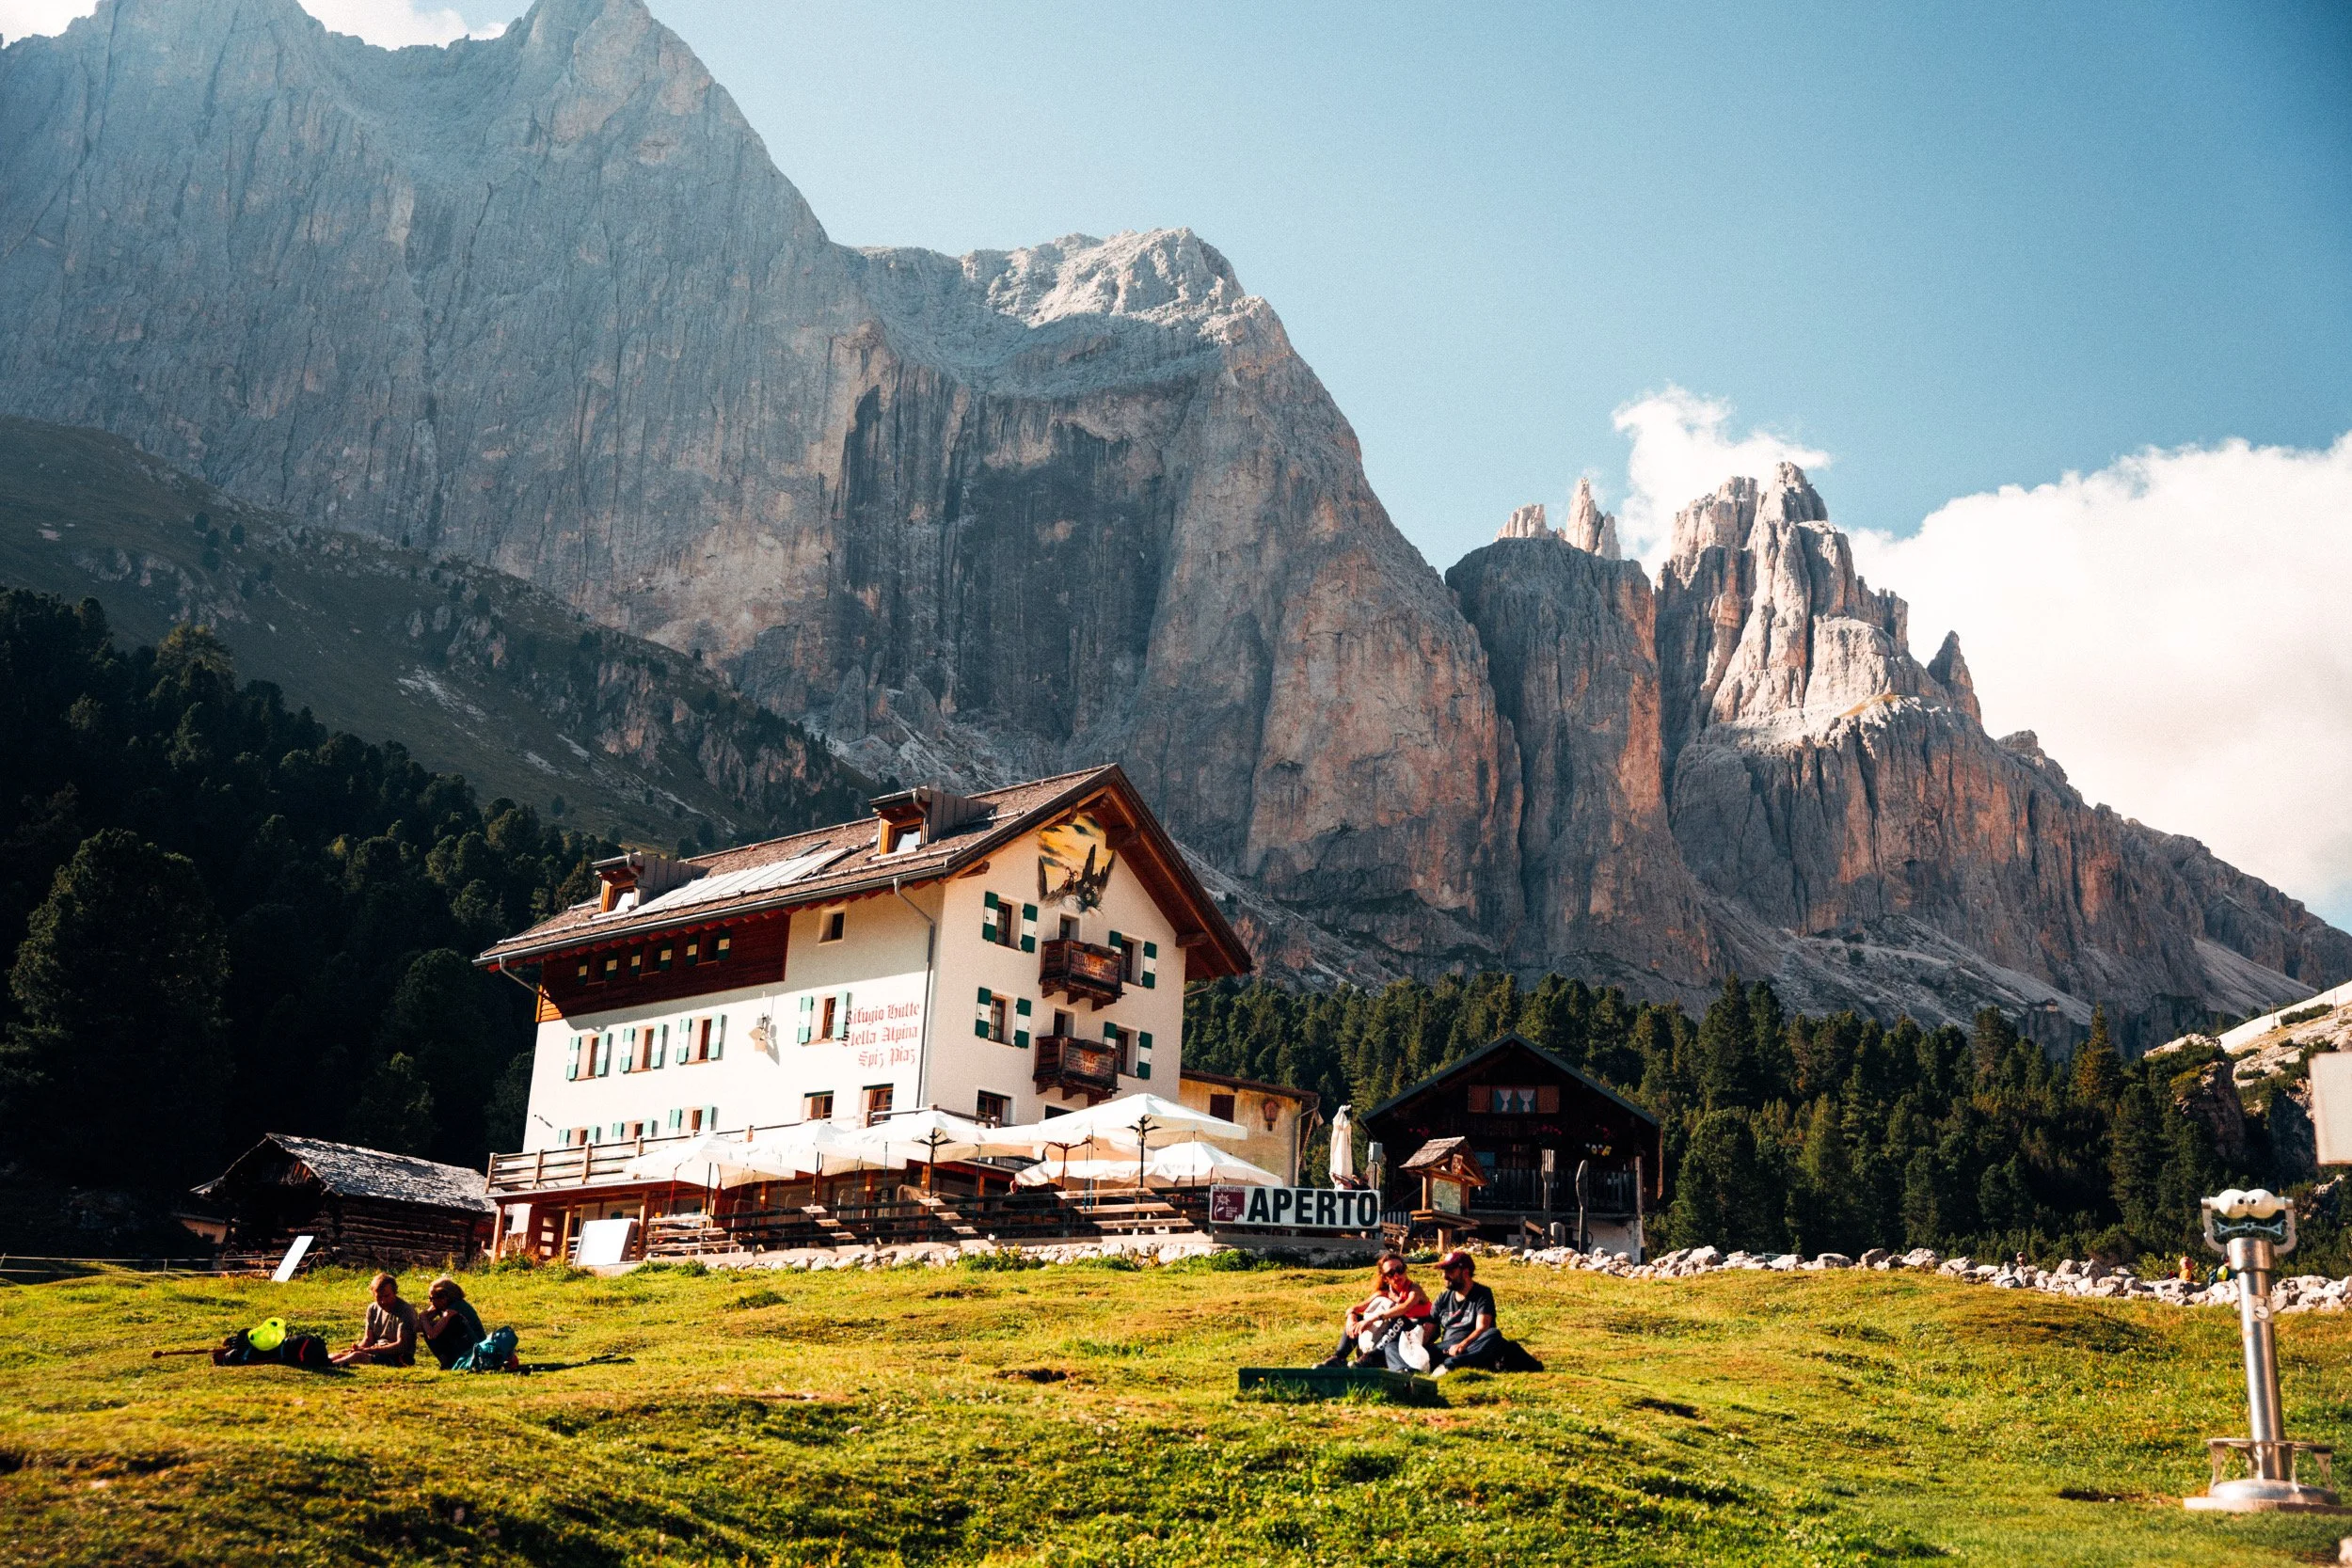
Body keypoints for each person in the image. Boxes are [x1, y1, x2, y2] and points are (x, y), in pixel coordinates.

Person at [1321, 1254, 1432, 1369]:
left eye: (1400, 1270)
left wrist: (1374, 1318)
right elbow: (1353, 1309)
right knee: (1359, 1319)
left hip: (1417, 1332)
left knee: (1399, 1319)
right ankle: (1339, 1357)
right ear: (1385, 1278)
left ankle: (1370, 1358)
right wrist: (1351, 1318)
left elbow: (1405, 1307)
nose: (1397, 1275)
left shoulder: (1414, 1289)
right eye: (1391, 1273)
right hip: (1394, 1336)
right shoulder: (1383, 1293)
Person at [1427, 1251, 1505, 1376]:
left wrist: (1463, 1344)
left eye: (1450, 1271)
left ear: (1465, 1272)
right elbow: (1428, 1329)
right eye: (1444, 1271)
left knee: (1494, 1335)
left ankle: (1450, 1364)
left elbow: (1482, 1328)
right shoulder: (1443, 1297)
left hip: (1473, 1345)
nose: (1444, 1276)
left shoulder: (1482, 1293)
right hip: (1448, 1348)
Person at [331, 1273, 420, 1367]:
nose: (383, 1301)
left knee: (357, 1356)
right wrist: (358, 1348)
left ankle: (330, 1366)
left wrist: (367, 1351)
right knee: (337, 1355)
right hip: (376, 1351)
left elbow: (402, 1345)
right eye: (379, 1297)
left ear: (395, 1292)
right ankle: (323, 1363)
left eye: (387, 1296)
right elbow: (368, 1339)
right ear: (373, 1295)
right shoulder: (372, 1309)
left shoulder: (406, 1310)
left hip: (397, 1357)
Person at [418, 1276, 487, 1370]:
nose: (431, 1302)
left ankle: (449, 1363)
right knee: (430, 1326)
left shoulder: (453, 1310)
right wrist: (426, 1317)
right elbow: (417, 1327)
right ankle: (449, 1363)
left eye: (431, 1298)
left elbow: (432, 1334)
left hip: (477, 1347)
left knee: (433, 1327)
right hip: (469, 1344)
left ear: (444, 1298)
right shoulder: (449, 1305)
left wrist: (423, 1318)